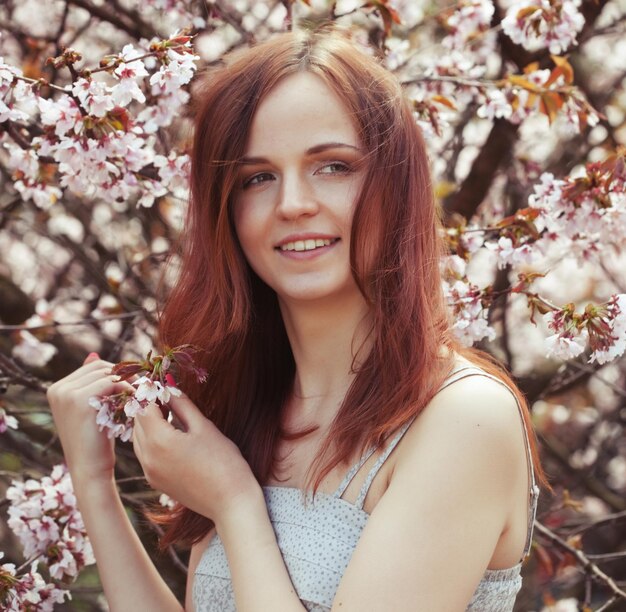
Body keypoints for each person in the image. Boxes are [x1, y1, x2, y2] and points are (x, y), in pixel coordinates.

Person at [47, 26, 546, 612]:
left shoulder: (464, 420)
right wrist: (94, 484)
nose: (292, 205)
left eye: (332, 166)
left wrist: (235, 502)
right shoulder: (251, 409)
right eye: (257, 178)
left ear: (396, 184)